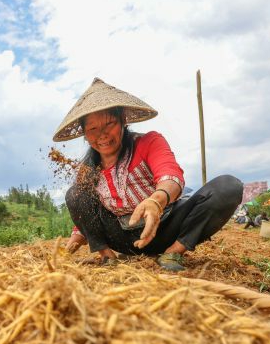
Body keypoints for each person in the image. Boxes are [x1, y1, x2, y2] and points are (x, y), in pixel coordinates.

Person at [54, 78, 243, 272]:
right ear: (85, 134)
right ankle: (108, 258)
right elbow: (85, 209)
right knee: (75, 193)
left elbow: (171, 176)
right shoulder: (88, 169)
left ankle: (173, 252)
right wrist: (74, 241)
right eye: (93, 128)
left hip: (165, 227)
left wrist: (156, 201)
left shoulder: (149, 142)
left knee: (228, 187)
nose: (102, 134)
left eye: (109, 123)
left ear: (123, 121)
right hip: (121, 237)